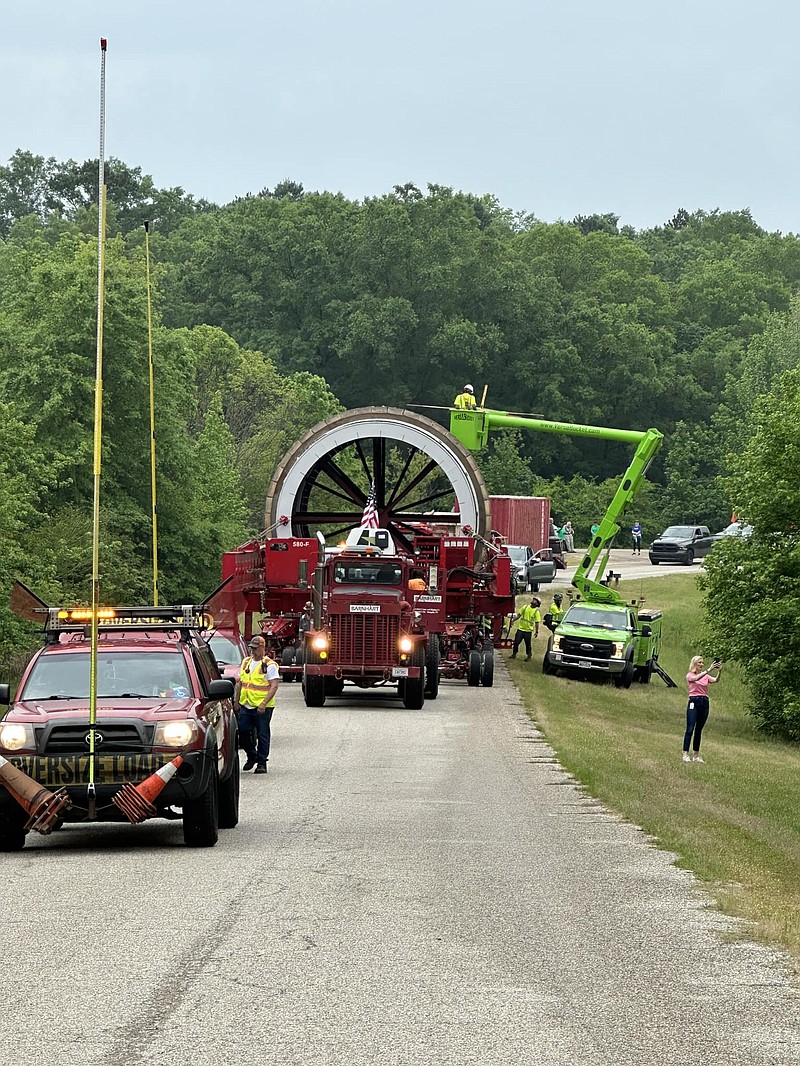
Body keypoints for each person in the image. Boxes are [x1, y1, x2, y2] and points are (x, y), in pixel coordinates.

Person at [234, 634, 280, 775]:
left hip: (262, 707)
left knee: (263, 734)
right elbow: (240, 683)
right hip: (246, 705)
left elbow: (274, 686)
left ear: (262, 648)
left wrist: (264, 703)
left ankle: (261, 763)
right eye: (251, 648)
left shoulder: (269, 665)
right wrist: (236, 701)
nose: (252, 651)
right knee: (242, 732)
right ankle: (252, 755)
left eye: (255, 649)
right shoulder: (246, 662)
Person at [682, 655, 722, 763]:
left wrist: (719, 672)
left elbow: (715, 680)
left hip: (704, 702)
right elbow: (696, 678)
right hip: (694, 701)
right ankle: (685, 753)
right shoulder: (690, 675)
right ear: (694, 663)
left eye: (702, 662)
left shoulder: (705, 676)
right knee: (690, 728)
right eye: (700, 662)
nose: (702, 664)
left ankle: (696, 755)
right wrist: (709, 670)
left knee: (699, 729)